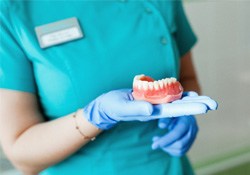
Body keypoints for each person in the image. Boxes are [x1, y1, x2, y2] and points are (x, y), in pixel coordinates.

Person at [0, 1, 217, 175]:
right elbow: (22, 157)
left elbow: (187, 77)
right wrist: (93, 117)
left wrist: (185, 114)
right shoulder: (10, 11)